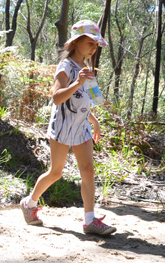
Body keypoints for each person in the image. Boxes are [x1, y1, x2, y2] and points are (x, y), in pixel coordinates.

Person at [19, 20, 116, 236]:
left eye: (96, 45)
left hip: (81, 127)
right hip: (62, 127)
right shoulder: (65, 67)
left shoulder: (85, 68)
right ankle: (29, 203)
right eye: (90, 43)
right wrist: (77, 83)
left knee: (88, 170)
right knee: (55, 173)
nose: (93, 48)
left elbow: (82, 102)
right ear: (76, 42)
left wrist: (94, 121)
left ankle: (89, 220)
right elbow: (57, 98)